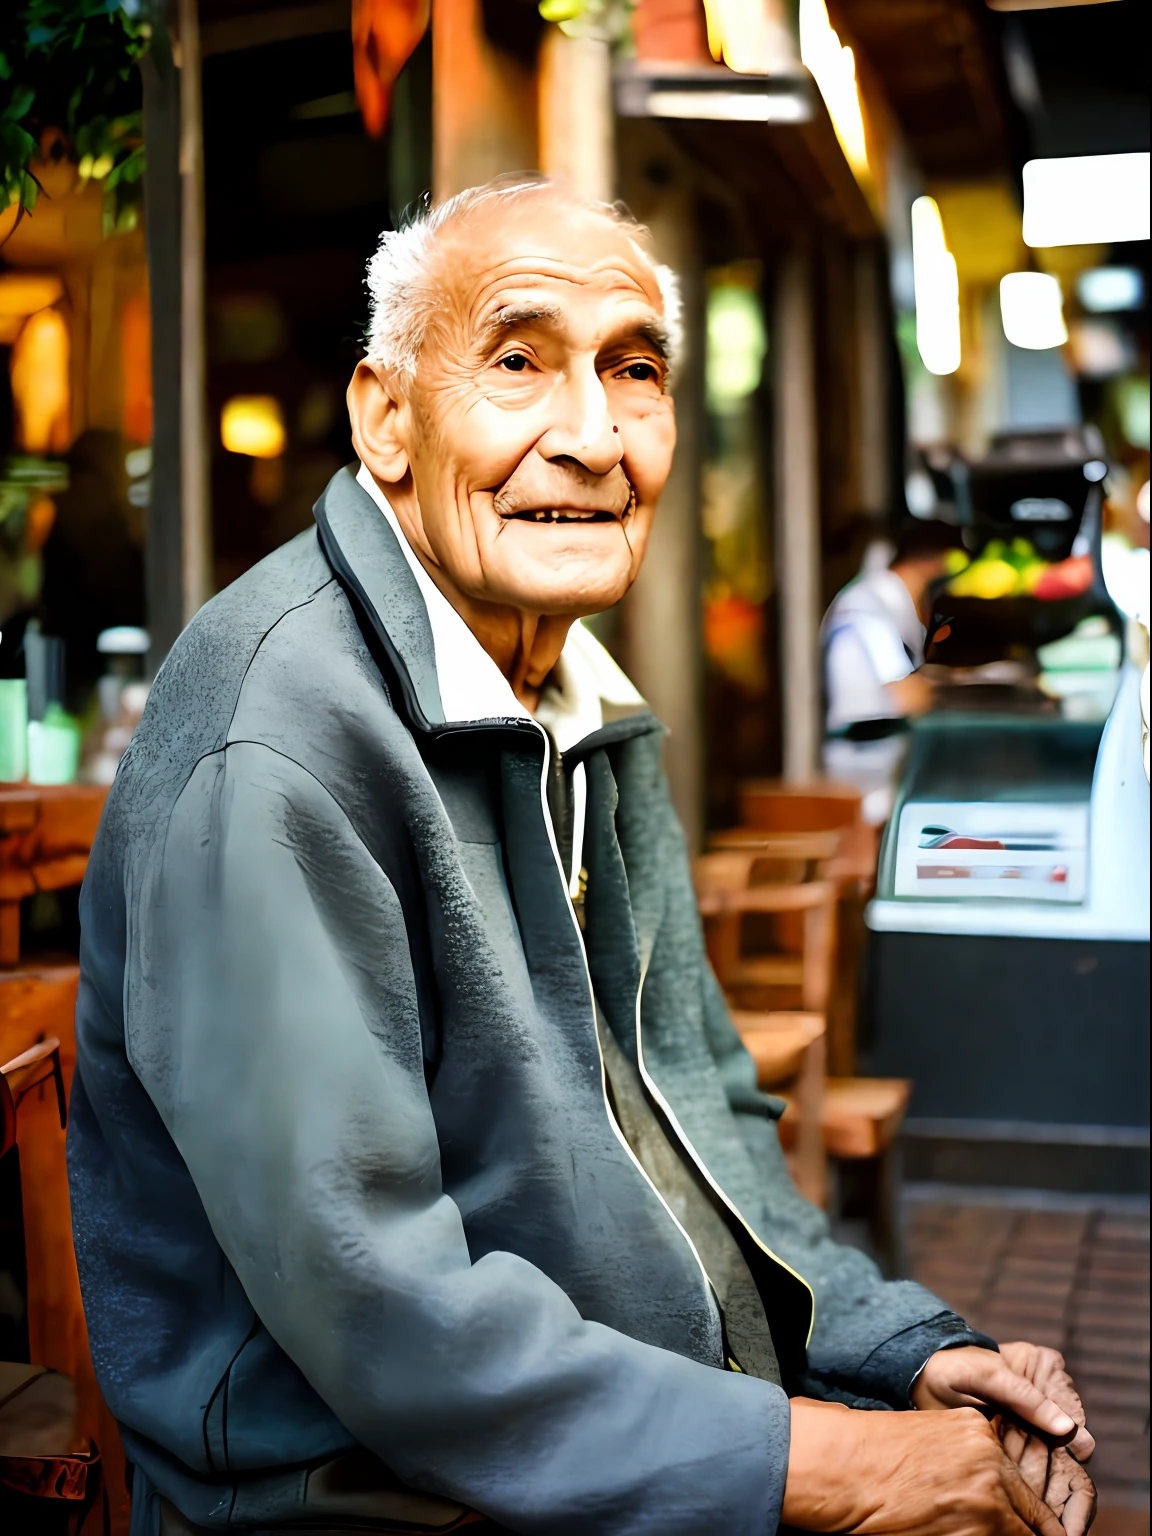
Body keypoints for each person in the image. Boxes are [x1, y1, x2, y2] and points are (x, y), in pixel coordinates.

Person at [69, 178, 1095, 1536]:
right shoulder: (274, 745)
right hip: (350, 1494)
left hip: (612, 1427)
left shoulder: (579, 699)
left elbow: (702, 1104)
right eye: (517, 363)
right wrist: (827, 1465)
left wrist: (894, 1343)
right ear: (386, 417)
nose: (594, 435)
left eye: (634, 369)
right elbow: (384, 1315)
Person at [822, 520, 959, 825]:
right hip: (864, 766)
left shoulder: (888, 603)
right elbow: (906, 695)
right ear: (932, 562)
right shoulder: (868, 604)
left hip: (883, 760)